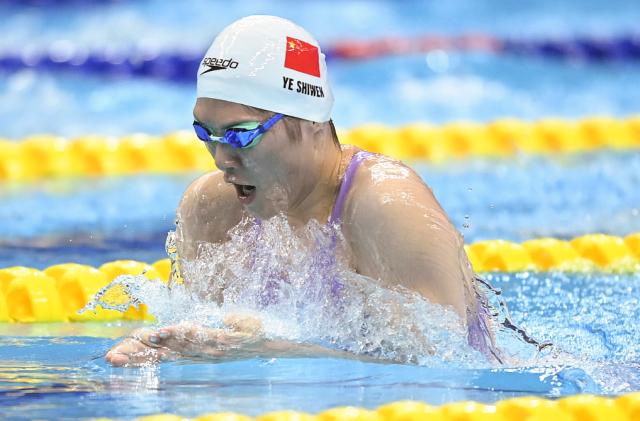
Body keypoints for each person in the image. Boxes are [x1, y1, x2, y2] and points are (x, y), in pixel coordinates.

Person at [106, 15, 494, 367]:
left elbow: (441, 366)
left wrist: (272, 351)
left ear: (311, 122)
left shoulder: (385, 206)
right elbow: (213, 353)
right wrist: (167, 353)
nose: (222, 159)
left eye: (242, 134)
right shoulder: (211, 210)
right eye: (206, 133)